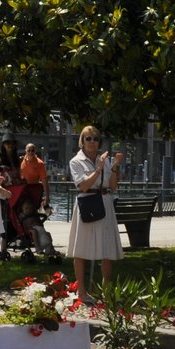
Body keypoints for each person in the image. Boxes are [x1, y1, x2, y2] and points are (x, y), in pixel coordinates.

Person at [68, 126, 123, 299]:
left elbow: (113, 186)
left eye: (95, 139)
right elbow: (83, 185)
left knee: (106, 248)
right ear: (82, 141)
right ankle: (82, 291)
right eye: (88, 139)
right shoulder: (76, 161)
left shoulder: (104, 159)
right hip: (87, 202)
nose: (92, 142)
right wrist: (98, 169)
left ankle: (106, 291)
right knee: (81, 247)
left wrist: (114, 167)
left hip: (104, 202)